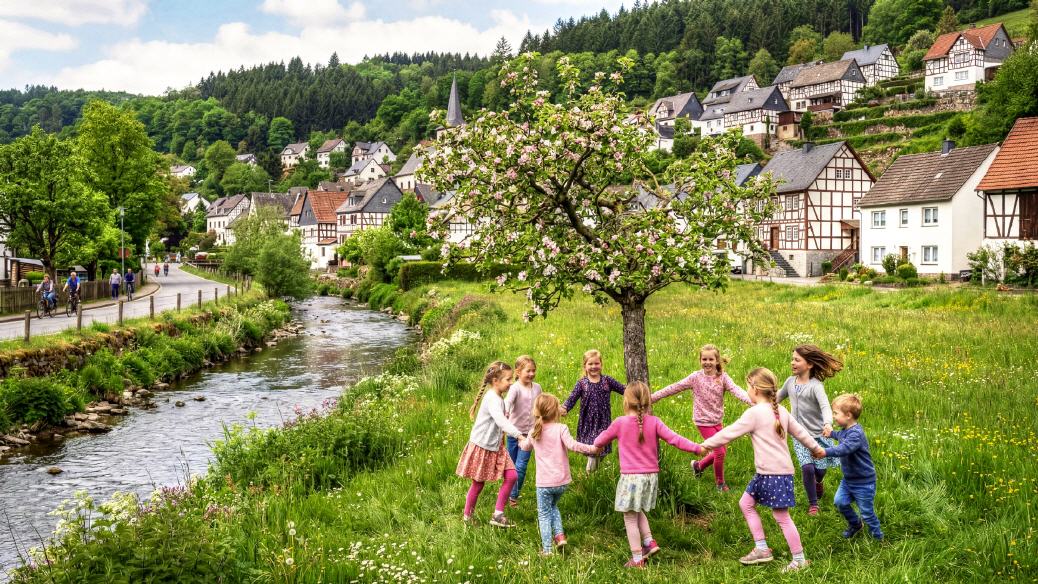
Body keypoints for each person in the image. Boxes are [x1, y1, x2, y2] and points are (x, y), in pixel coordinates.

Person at [701, 368, 826, 573]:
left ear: (756, 389)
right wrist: (816, 448)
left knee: (782, 516)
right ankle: (761, 548)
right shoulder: (780, 411)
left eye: (748, 386)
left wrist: (706, 444)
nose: (747, 390)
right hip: (768, 472)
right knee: (746, 503)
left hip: (773, 473)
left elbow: (729, 433)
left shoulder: (754, 413)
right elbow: (801, 433)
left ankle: (799, 559)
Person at [594, 381, 704, 568]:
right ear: (647, 401)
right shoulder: (654, 422)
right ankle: (649, 542)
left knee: (629, 516)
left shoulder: (619, 423)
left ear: (626, 401)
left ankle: (637, 559)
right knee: (638, 510)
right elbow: (675, 439)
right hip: (650, 478)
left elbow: (599, 441)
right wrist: (696, 448)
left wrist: (596, 445)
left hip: (631, 478)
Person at [651, 344, 753, 492]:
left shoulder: (723, 377)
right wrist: (654, 397)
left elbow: (736, 389)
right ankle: (720, 483)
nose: (707, 362)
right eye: (704, 359)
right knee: (720, 452)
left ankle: (698, 466)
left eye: (711, 359)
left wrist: (753, 401)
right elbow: (675, 387)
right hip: (703, 421)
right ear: (700, 360)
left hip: (717, 420)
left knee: (721, 448)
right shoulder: (695, 377)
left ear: (717, 361)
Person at [519, 394, 599, 555]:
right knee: (553, 506)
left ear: (536, 411)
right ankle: (560, 536)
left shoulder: (534, 430)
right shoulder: (561, 429)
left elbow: (525, 448)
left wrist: (520, 440)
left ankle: (547, 550)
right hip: (562, 482)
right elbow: (573, 445)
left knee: (544, 514)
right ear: (556, 411)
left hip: (544, 484)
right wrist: (592, 449)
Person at [456, 361, 524, 528]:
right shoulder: (492, 399)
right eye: (508, 380)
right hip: (483, 446)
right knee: (478, 484)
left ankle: (498, 514)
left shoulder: (498, 398)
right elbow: (501, 421)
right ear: (496, 381)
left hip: (496, 447)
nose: (511, 383)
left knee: (512, 476)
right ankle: (467, 517)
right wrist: (518, 435)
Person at [778, 344, 843, 516]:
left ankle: (819, 480)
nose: (792, 362)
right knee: (807, 468)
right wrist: (762, 402)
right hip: (798, 435)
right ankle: (813, 504)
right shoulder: (790, 382)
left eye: (797, 360)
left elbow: (825, 407)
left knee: (819, 469)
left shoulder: (816, 386)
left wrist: (828, 423)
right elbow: (777, 398)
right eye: (792, 359)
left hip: (819, 434)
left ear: (810, 364)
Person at [820, 394, 882, 540]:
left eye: (836, 413)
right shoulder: (846, 430)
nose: (833, 417)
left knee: (866, 512)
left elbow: (844, 448)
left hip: (864, 482)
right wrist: (831, 434)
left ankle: (878, 537)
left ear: (848, 415)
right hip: (849, 480)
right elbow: (841, 436)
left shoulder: (856, 434)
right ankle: (855, 524)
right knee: (840, 502)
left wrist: (824, 452)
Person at [562, 349, 626, 473]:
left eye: (596, 363)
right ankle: (589, 474)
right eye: (590, 364)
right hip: (588, 422)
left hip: (603, 422)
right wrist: (564, 408)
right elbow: (572, 398)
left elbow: (623, 389)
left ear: (601, 364)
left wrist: (636, 392)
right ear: (585, 366)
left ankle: (596, 472)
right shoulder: (582, 383)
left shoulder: (607, 380)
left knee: (601, 449)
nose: (593, 366)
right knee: (593, 448)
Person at [504, 355, 542, 507]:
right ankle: (507, 489)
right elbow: (508, 402)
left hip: (530, 434)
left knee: (521, 465)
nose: (532, 374)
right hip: (514, 434)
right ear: (518, 372)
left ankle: (513, 496)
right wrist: (504, 412)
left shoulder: (537, 387)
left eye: (534, 371)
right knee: (511, 465)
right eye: (528, 371)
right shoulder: (515, 388)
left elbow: (541, 404)